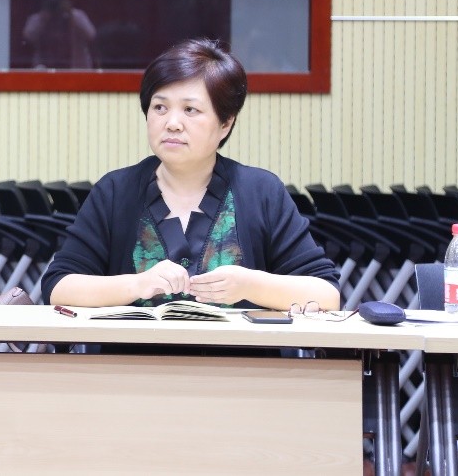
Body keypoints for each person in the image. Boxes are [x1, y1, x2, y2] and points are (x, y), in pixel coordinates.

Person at [41, 38, 339, 312]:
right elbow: (58, 286)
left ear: (225, 123)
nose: (172, 123)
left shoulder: (260, 191)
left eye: (190, 110)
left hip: (236, 354)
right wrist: (136, 284)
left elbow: (326, 294)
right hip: (134, 354)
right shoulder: (116, 190)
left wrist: (249, 285)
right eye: (160, 107)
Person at [23, 0, 97, 69]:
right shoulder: (39, 18)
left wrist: (71, 14)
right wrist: (44, 18)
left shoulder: (77, 16)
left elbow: (91, 34)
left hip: (75, 68)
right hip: (45, 68)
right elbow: (28, 37)